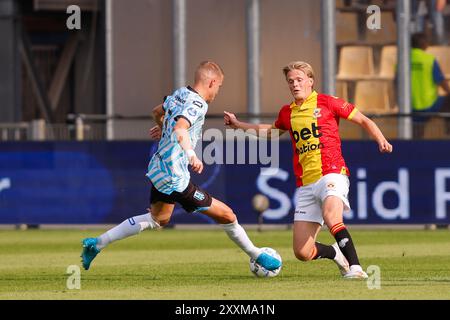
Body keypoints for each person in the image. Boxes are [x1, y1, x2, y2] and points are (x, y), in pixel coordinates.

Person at [80, 61, 281, 272]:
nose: (217, 92)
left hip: (159, 167)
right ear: (212, 82)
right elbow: (180, 127)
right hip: (174, 175)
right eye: (219, 86)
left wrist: (163, 128)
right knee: (228, 216)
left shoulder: (179, 93)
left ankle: (96, 244)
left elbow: (156, 112)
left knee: (159, 219)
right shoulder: (198, 104)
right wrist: (191, 154)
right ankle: (257, 255)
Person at [224, 61, 393, 279]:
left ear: (310, 81)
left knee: (332, 217)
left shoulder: (328, 102)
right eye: (290, 81)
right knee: (302, 252)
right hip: (305, 183)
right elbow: (271, 131)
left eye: (299, 80)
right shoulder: (288, 112)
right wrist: (239, 125)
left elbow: (361, 119)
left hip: (332, 172)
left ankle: (356, 268)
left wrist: (380, 139)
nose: (295, 84)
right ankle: (335, 253)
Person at [410, 32, 450, 139]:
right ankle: (448, 130)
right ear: (424, 44)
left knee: (416, 136)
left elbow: (397, 84)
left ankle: (416, 143)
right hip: (430, 106)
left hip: (409, 107)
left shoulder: (403, 60)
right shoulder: (429, 60)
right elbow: (443, 84)